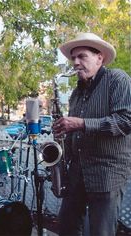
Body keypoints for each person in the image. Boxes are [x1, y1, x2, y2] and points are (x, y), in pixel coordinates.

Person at [53, 32, 131, 236]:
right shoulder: (76, 94)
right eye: (73, 58)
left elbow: (126, 121)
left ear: (99, 58)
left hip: (107, 173)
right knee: (66, 227)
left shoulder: (117, 79)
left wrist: (81, 124)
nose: (76, 62)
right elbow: (73, 132)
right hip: (77, 173)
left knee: (101, 232)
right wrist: (62, 138)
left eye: (82, 56)